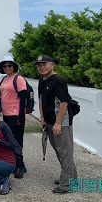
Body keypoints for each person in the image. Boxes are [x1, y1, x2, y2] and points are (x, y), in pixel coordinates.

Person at [36, 55, 77, 194]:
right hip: (49, 122)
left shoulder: (58, 81)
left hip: (61, 123)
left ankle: (67, 185)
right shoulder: (42, 80)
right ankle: (71, 178)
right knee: (61, 151)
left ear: (52, 64)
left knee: (64, 152)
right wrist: (42, 119)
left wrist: (58, 123)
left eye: (45, 64)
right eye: (39, 65)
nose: (42, 67)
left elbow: (64, 103)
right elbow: (41, 100)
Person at [0, 56, 28, 178]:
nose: (7, 68)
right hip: (6, 114)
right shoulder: (5, 79)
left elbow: (23, 97)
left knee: (17, 140)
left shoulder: (18, 78)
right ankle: (15, 163)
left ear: (14, 66)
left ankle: (21, 166)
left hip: (16, 115)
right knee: (10, 139)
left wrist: (21, 116)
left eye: (9, 65)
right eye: (4, 66)